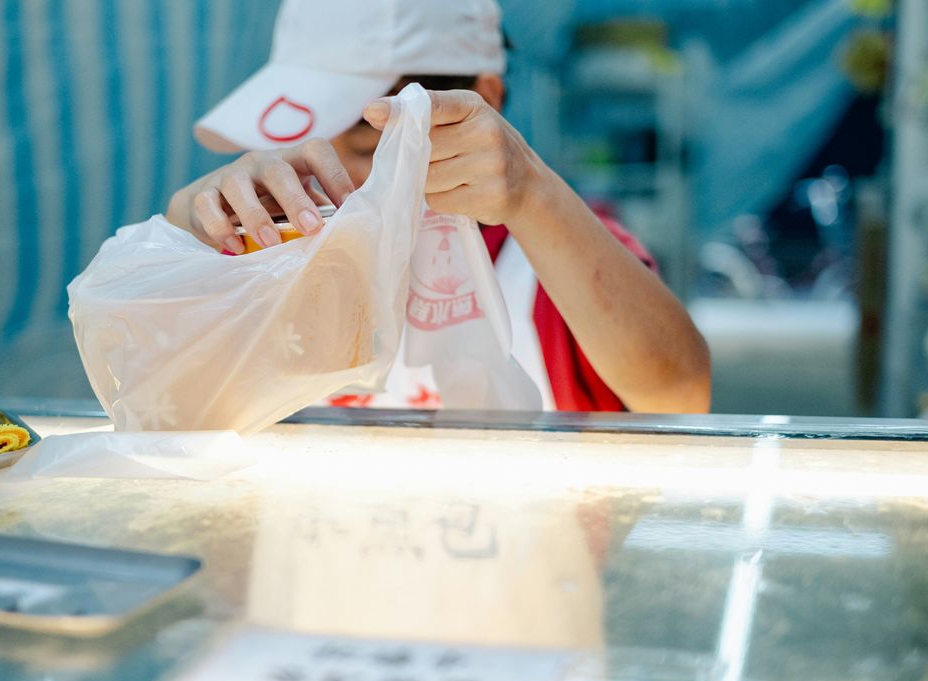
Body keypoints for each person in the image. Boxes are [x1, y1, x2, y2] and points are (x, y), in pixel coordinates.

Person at [165, 0, 711, 414]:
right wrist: (184, 234)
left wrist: (535, 195)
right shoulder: (271, 245)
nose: (329, 183)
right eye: (301, 146)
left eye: (368, 146)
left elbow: (678, 395)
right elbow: (160, 388)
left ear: (483, 101)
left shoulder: (549, 260)